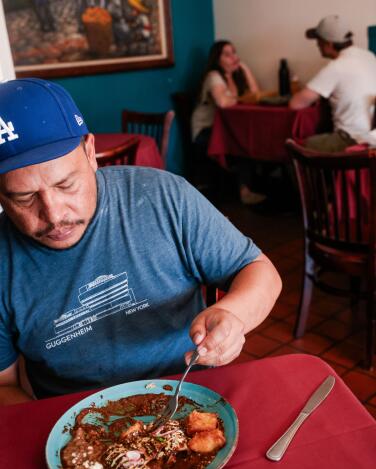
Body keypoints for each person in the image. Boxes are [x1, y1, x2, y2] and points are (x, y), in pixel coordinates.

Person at [0, 78, 282, 405]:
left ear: (90, 152)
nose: (53, 214)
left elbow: (259, 270)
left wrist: (234, 314)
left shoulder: (162, 196)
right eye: (23, 198)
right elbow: (4, 386)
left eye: (67, 185)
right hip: (75, 423)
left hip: (191, 399)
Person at [191, 40, 265, 205]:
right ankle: (244, 191)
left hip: (225, 128)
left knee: (247, 139)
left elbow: (255, 94)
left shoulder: (234, 76)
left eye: (234, 52)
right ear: (217, 59)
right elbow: (223, 103)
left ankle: (248, 188)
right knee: (241, 142)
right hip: (205, 130)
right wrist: (239, 98)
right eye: (227, 54)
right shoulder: (214, 76)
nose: (233, 57)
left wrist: (245, 68)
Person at [289, 14, 376, 152]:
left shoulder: (336, 67)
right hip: (371, 137)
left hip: (350, 140)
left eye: (319, 41)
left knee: (296, 147)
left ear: (328, 44)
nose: (317, 45)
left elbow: (295, 104)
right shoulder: (369, 56)